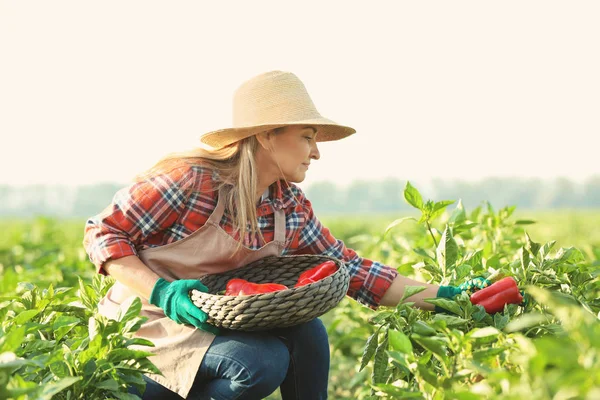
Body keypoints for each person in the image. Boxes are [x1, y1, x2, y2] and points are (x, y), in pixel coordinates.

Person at [83, 70, 492, 400]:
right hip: (147, 329)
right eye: (307, 137)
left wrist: (449, 299)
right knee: (259, 364)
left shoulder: (287, 206)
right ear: (265, 135)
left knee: (306, 332)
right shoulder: (192, 182)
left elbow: (352, 271)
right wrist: (162, 292)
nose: (316, 152)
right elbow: (103, 232)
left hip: (212, 323)